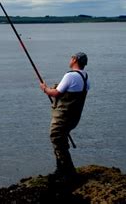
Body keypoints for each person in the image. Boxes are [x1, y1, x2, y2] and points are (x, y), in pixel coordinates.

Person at [40, 52, 90, 180]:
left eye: (71, 58)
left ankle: (69, 172)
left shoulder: (70, 76)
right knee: (60, 140)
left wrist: (45, 89)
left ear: (75, 60)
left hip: (63, 116)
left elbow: (56, 93)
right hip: (74, 117)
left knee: (56, 137)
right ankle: (60, 169)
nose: (70, 60)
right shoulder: (85, 78)